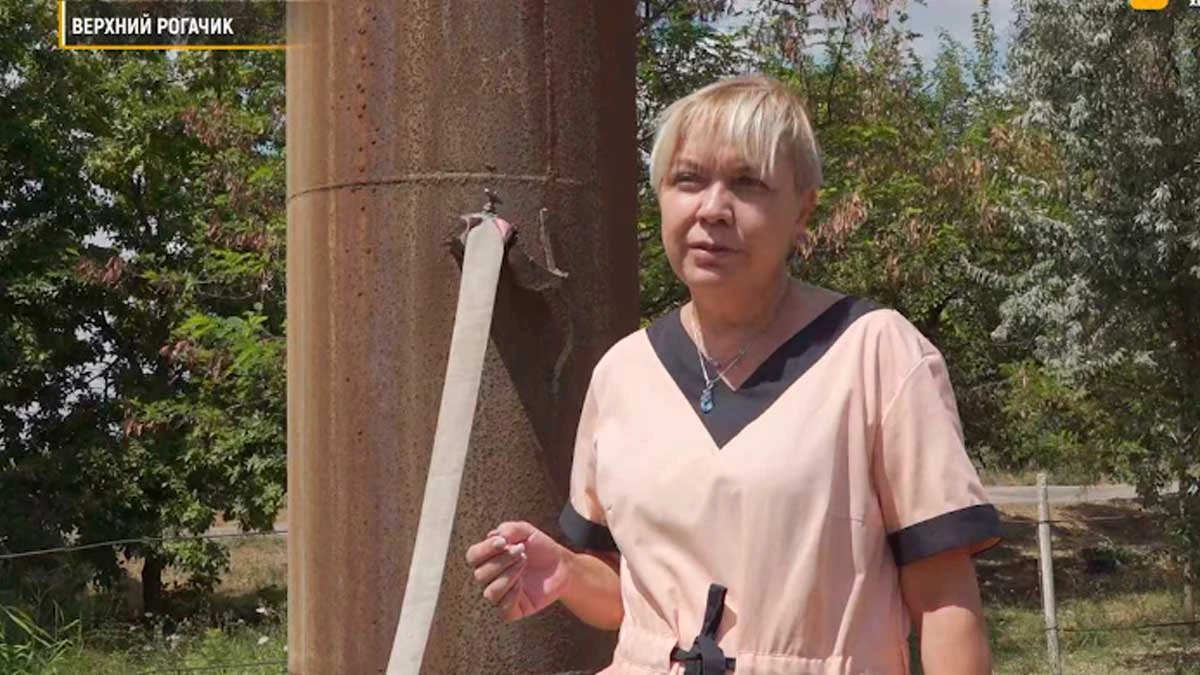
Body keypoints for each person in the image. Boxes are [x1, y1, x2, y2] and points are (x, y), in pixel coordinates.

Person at [465, 74, 1001, 675]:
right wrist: (565, 572)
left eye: (747, 183)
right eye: (688, 180)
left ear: (802, 209)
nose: (712, 209)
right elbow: (624, 598)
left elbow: (944, 598)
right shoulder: (623, 373)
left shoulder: (876, 353)